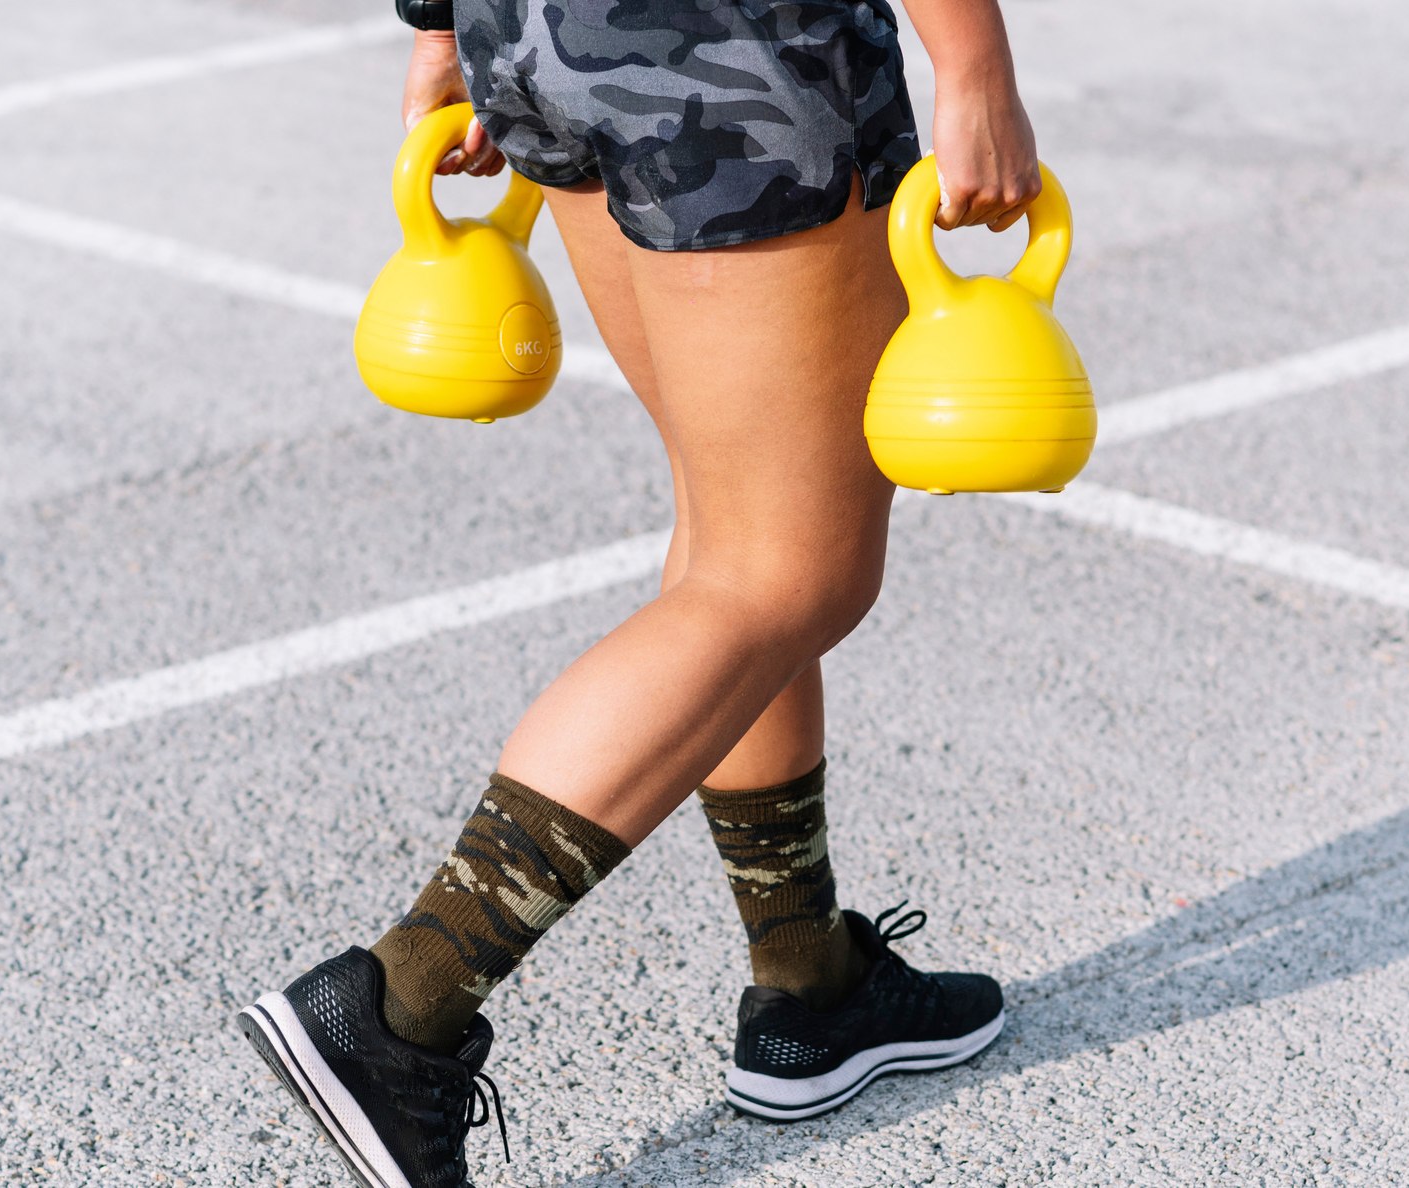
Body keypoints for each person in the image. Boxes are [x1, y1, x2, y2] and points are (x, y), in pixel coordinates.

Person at [235, 1, 1042, 1183]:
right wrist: (973, 61)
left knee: (734, 525)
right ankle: (402, 1005)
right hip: (737, 50)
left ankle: (808, 981)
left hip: (546, 33)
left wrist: (438, 26)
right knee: (787, 567)